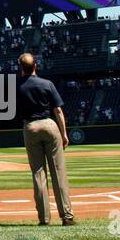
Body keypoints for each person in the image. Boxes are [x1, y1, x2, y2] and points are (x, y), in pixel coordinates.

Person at [16, 53, 74, 225]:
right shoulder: (47, 84)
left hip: (30, 127)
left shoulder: (16, 86)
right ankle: (67, 216)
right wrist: (64, 134)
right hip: (49, 125)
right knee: (58, 172)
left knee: (38, 174)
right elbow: (58, 111)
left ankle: (44, 218)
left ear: (21, 68)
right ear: (36, 66)